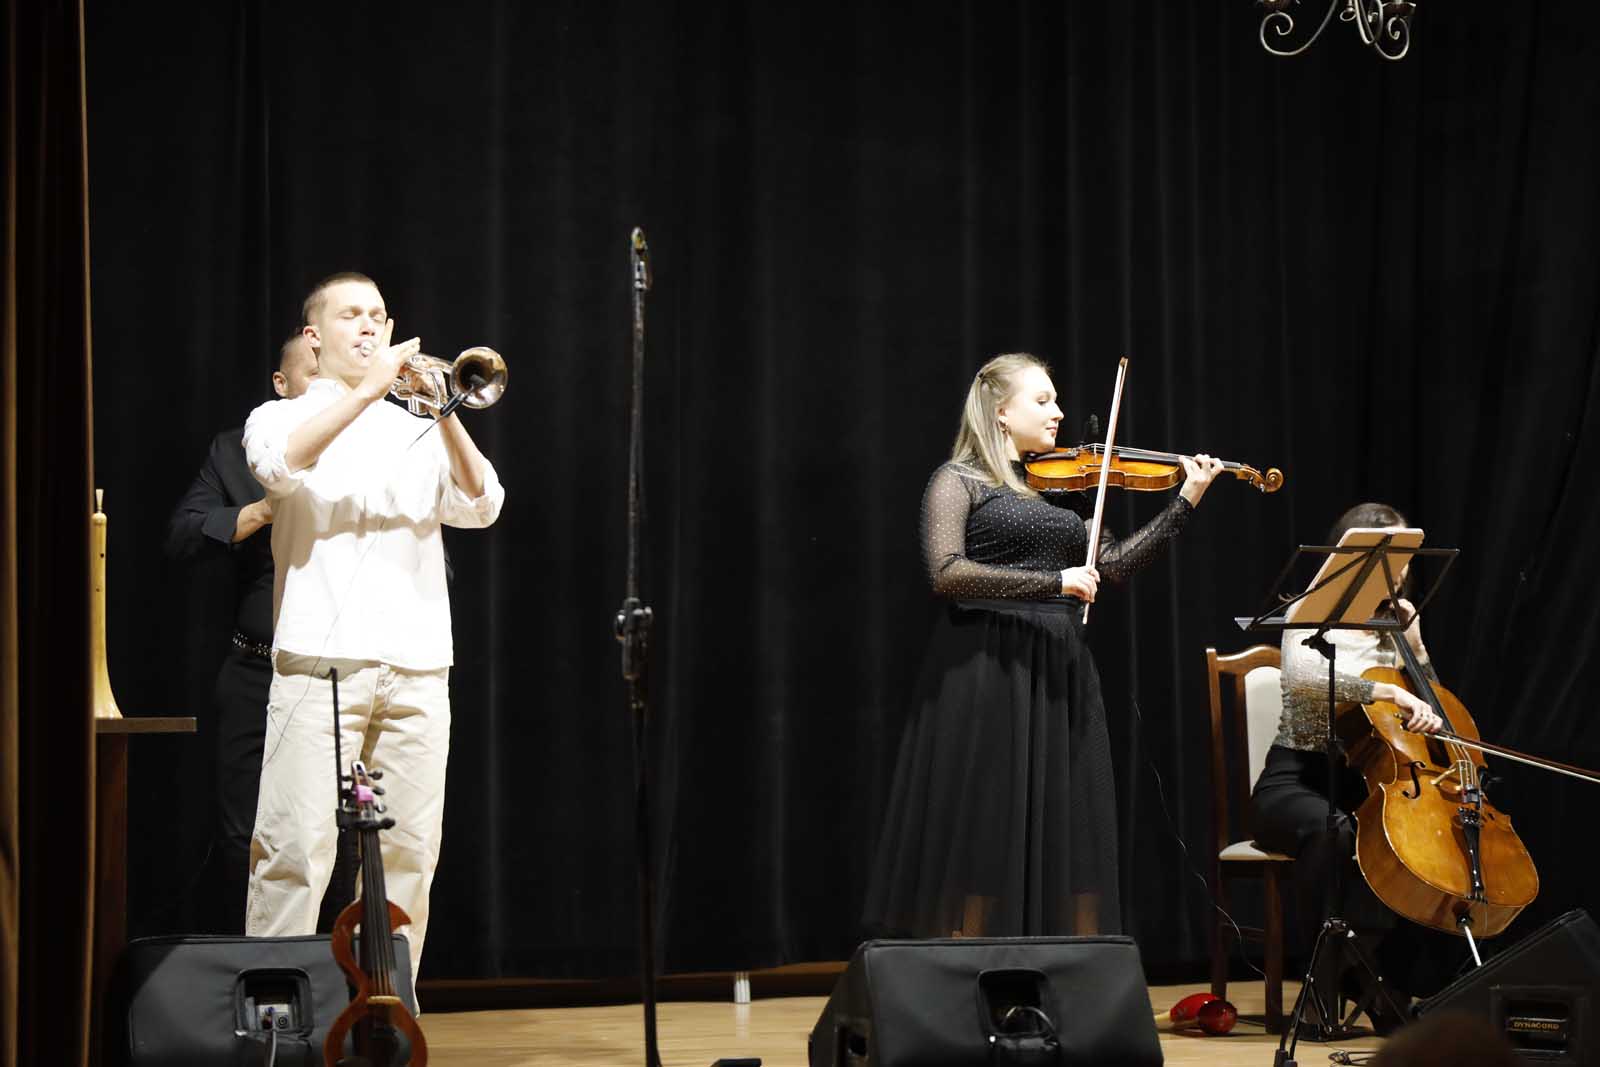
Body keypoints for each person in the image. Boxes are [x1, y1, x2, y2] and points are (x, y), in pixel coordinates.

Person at [862, 352, 1224, 938]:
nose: (1058, 412)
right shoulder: (959, 480)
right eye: (1043, 400)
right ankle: (970, 971)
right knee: (985, 830)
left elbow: (1114, 564)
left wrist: (1185, 503)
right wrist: (1054, 582)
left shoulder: (1068, 490)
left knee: (1076, 831)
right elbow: (947, 573)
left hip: (1060, 668)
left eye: (1056, 401)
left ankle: (1076, 976)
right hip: (988, 668)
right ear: (1001, 413)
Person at [242, 272, 503, 981]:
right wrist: (366, 391)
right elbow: (277, 467)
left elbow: (483, 504)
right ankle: (276, 1015)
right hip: (319, 663)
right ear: (313, 336)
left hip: (418, 664)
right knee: (295, 850)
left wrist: (444, 409)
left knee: (410, 853)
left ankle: (385, 1012)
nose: (367, 326)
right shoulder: (280, 415)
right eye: (350, 314)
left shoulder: (416, 426)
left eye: (378, 316)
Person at [1248, 501, 1445, 1029]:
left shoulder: (1396, 623)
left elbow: (1434, 703)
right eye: (1394, 557)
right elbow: (1306, 683)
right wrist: (1385, 690)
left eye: (1407, 557)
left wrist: (1418, 650)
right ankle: (1333, 984)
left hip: (1369, 782)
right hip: (1297, 777)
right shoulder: (1310, 614)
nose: (1403, 571)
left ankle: (1377, 978)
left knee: (1413, 848)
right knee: (1334, 832)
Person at [165, 333, 323, 934]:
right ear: (280, 386)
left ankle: (338, 975)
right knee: (245, 832)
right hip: (257, 669)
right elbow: (183, 535)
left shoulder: (373, 449)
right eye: (312, 373)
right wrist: (260, 512)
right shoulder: (235, 450)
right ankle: (261, 972)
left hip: (338, 674)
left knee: (334, 834)